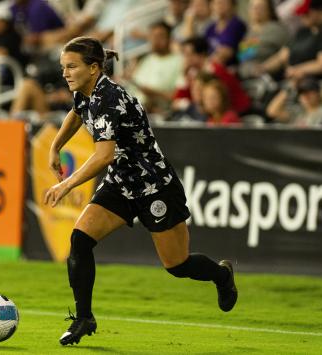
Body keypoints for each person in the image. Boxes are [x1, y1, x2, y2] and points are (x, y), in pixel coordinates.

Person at [44, 36, 238, 346]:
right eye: (63, 67)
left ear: (93, 68)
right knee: (80, 241)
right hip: (122, 183)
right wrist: (56, 145)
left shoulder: (109, 98)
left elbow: (104, 155)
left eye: (71, 67)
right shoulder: (86, 91)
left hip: (154, 186)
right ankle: (83, 317)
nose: (65, 73)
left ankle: (221, 275)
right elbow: (78, 112)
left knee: (177, 265)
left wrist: (66, 184)